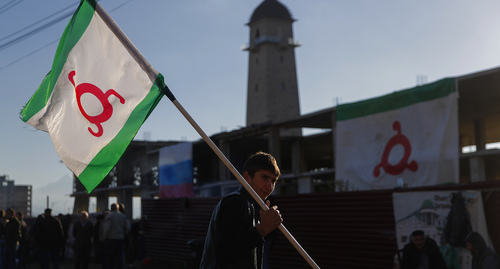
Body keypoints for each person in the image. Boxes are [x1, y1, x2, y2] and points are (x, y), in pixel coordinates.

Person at [200, 151, 283, 269]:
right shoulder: (237, 203)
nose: (269, 187)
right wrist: (262, 229)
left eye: (273, 181)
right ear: (247, 177)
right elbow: (224, 255)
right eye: (264, 178)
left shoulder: (253, 205)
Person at [103, 203, 130, 269]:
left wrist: (104, 238)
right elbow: (128, 227)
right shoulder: (123, 216)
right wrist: (123, 234)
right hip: (120, 239)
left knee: (109, 259)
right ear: (118, 208)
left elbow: (107, 229)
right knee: (120, 259)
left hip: (111, 239)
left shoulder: (109, 216)